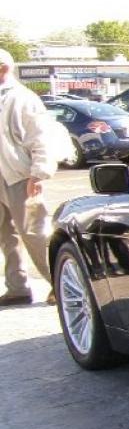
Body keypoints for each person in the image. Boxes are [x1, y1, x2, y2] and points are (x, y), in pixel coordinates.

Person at [0, 48, 67, 306]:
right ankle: (17, 288)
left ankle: (59, 283)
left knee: (35, 232)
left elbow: (40, 138)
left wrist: (38, 174)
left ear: (3, 69)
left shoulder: (23, 99)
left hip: (21, 176)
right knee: (6, 236)